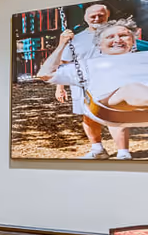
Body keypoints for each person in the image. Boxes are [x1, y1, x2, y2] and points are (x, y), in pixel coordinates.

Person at [38, 18, 148, 159]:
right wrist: (61, 45)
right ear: (99, 45)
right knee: (131, 88)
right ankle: (108, 150)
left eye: (123, 36)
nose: (117, 40)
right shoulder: (88, 65)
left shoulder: (144, 57)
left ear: (133, 40)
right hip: (108, 102)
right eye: (110, 37)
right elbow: (45, 74)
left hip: (141, 99)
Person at [48, 4, 128, 159]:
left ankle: (123, 152)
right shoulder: (76, 39)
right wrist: (60, 87)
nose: (97, 19)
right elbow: (65, 64)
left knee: (116, 117)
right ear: (85, 17)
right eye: (93, 16)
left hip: (112, 82)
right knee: (88, 116)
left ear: (107, 16)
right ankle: (97, 149)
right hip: (82, 85)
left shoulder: (119, 34)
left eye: (101, 15)